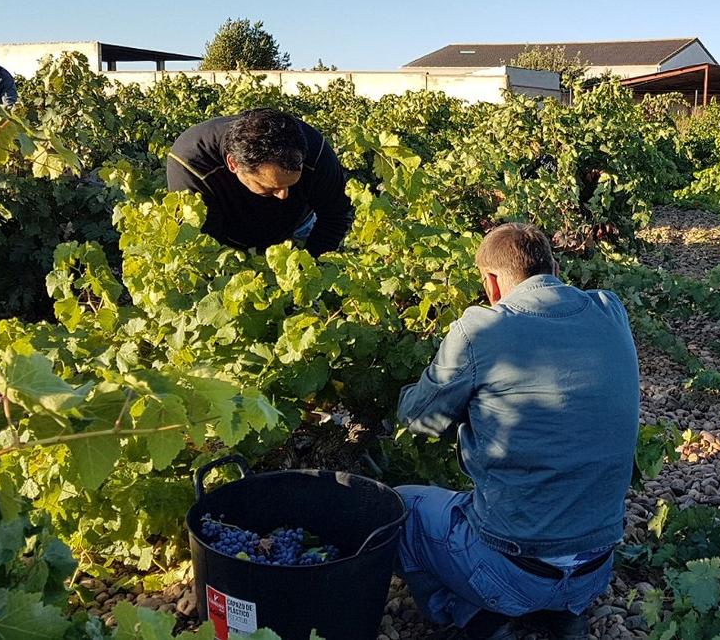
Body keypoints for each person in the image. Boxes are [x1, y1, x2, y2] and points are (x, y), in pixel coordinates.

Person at [395, 223, 640, 640]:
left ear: (490, 282)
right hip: (595, 570)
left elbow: (419, 419)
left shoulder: (480, 329)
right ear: (555, 268)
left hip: (512, 570)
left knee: (401, 508)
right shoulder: (610, 309)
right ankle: (560, 612)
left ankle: (474, 618)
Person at [166, 108, 352, 256]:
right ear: (234, 164)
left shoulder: (316, 150)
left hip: (299, 226)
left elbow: (335, 216)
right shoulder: (190, 162)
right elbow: (205, 242)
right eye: (271, 187)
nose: (284, 195)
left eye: (291, 184)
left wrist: (308, 266)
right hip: (232, 244)